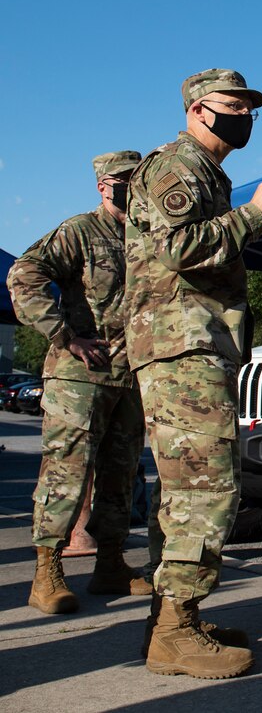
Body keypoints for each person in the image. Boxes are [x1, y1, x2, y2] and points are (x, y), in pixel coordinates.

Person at [124, 69, 262, 679]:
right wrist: (253, 214)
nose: (244, 116)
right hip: (183, 347)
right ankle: (176, 630)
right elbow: (180, 249)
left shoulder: (203, 171)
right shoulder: (179, 166)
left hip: (190, 345)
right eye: (233, 105)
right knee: (206, 487)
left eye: (250, 108)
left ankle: (169, 621)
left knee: (181, 490)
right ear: (198, 109)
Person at [9, 150, 153, 615]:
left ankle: (110, 564)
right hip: (80, 377)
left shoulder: (146, 236)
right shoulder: (79, 231)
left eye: (137, 180)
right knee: (66, 473)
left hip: (129, 375)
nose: (130, 188)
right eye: (122, 181)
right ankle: (46, 572)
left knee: (121, 474)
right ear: (102, 186)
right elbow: (23, 275)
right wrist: (63, 335)